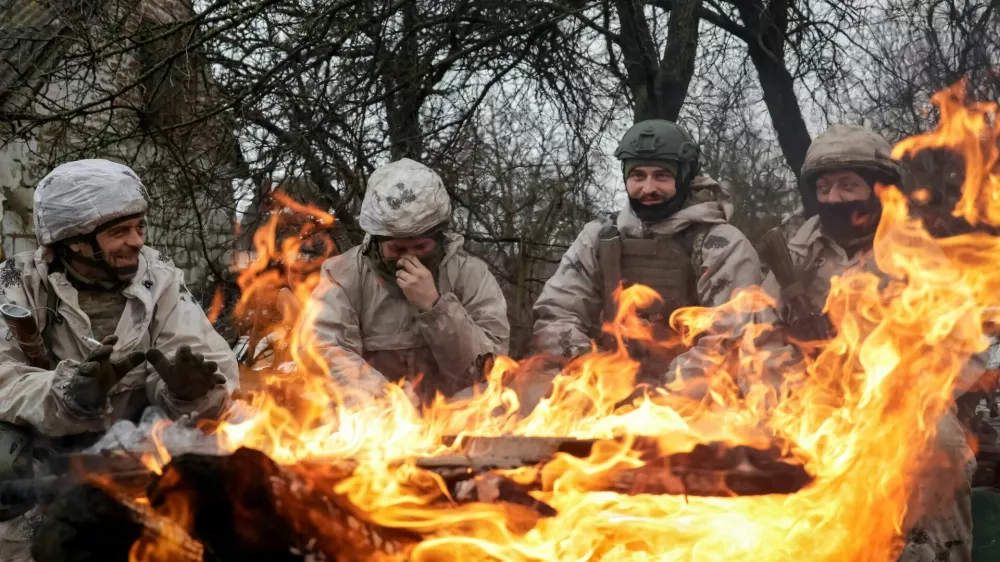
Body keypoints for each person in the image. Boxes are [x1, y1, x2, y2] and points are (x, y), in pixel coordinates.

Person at [0, 159, 238, 560]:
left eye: (139, 227)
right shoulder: (15, 282)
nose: (137, 241)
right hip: (47, 453)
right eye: (119, 231)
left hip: (141, 444)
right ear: (74, 240)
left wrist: (188, 393)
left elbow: (215, 369)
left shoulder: (158, 277)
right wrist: (66, 394)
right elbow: (4, 377)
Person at [758, 124, 974, 562]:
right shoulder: (794, 256)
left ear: (878, 189)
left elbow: (957, 338)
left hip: (905, 403)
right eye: (825, 187)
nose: (835, 198)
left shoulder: (916, 252)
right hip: (812, 400)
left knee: (941, 448)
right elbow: (760, 340)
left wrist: (898, 388)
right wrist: (796, 388)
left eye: (848, 185)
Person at [531, 119, 762, 391]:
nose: (648, 188)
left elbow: (729, 339)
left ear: (685, 177)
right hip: (604, 392)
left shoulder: (720, 244)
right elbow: (557, 313)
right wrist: (589, 368)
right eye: (638, 176)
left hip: (696, 400)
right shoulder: (598, 238)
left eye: (662, 176)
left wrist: (659, 395)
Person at [307, 158, 509, 405]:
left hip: (456, 424)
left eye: (421, 247)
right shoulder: (342, 276)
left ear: (438, 237)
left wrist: (436, 308)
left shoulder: (471, 276)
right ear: (377, 241)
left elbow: (489, 370)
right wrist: (395, 408)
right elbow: (327, 354)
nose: (410, 257)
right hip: (374, 424)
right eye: (398, 249)